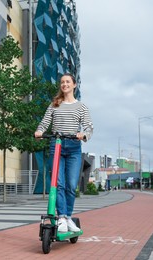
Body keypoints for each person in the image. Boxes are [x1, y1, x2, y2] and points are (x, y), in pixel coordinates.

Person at [34, 73, 93, 232]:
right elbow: (45, 122)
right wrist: (39, 131)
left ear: (74, 85)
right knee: (58, 184)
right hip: (56, 145)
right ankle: (61, 218)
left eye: (67, 82)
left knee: (71, 185)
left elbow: (88, 127)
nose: (64, 84)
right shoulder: (54, 104)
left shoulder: (81, 107)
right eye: (62, 82)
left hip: (74, 147)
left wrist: (84, 134)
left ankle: (68, 217)